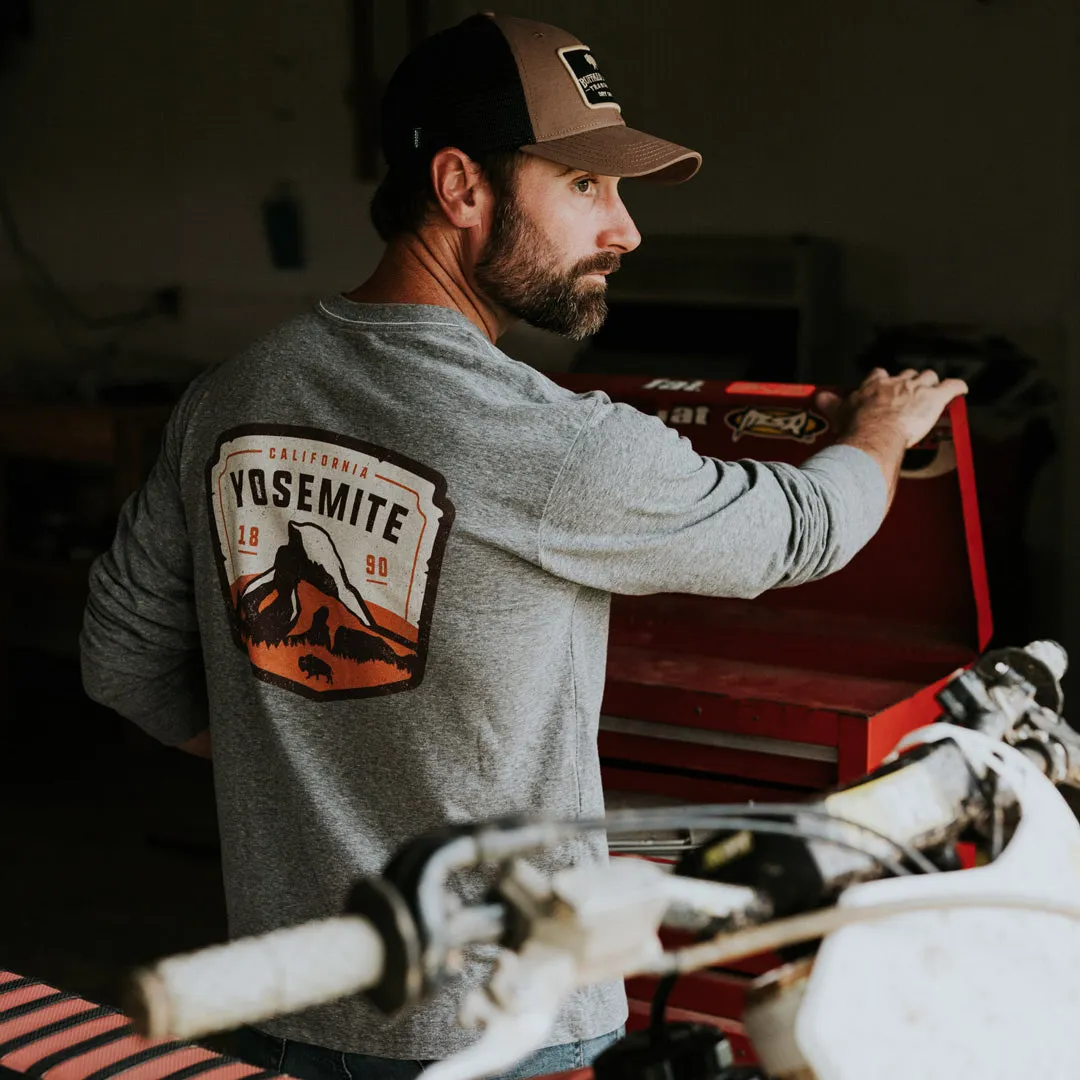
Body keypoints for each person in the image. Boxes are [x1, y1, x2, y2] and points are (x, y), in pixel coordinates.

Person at [80, 12, 966, 1080]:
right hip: (501, 1031)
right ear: (461, 189)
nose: (625, 228)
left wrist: (301, 772)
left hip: (282, 1003)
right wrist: (877, 433)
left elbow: (120, 660)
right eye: (586, 186)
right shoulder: (552, 443)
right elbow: (802, 532)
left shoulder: (228, 397)